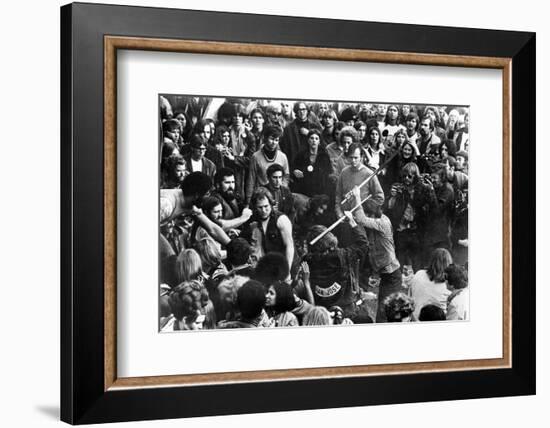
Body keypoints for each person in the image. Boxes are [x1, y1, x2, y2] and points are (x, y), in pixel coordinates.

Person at [349, 186, 402, 323]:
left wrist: (357, 197)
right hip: (386, 275)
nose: (367, 217)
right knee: (384, 311)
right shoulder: (376, 223)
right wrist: (352, 221)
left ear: (372, 214)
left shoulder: (382, 222)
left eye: (368, 215)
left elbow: (362, 219)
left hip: (392, 276)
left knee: (384, 314)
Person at [304, 211, 368, 319]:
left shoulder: (307, 260)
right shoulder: (343, 255)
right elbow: (363, 244)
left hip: (324, 312)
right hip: (346, 310)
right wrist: (352, 222)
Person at [386, 162, 436, 271]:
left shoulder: (422, 189)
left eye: (410, 176)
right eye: (404, 176)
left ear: (415, 176)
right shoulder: (399, 188)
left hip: (416, 230)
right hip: (401, 229)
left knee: (417, 261)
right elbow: (390, 207)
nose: (406, 179)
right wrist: (392, 196)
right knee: (399, 258)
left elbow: (433, 208)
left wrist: (431, 191)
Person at [160, 172, 230, 246]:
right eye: (207, 194)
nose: (208, 198)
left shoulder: (192, 204)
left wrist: (230, 244)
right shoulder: (166, 204)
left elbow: (212, 228)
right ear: (196, 195)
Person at [242, 188, 294, 274]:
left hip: (286, 262)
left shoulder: (281, 219)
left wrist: (287, 270)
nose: (263, 211)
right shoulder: (253, 220)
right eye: (260, 207)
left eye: (266, 206)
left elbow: (289, 246)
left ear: (271, 204)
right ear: (255, 207)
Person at [335, 142, 384, 218]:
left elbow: (380, 198)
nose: (353, 160)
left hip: (362, 218)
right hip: (345, 216)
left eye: (356, 158)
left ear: (361, 157)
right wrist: (339, 212)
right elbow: (338, 195)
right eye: (351, 157)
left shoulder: (369, 174)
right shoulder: (344, 172)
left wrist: (364, 208)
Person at [246, 125, 290, 202]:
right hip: (262, 195)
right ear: (265, 138)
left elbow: (286, 176)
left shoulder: (283, 156)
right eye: (272, 139)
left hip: (279, 195)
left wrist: (282, 188)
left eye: (276, 140)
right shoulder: (256, 157)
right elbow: (251, 179)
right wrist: (248, 199)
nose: (274, 142)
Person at [409, 248, 453, 320]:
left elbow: (410, 298)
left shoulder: (418, 274)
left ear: (432, 261)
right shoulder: (448, 287)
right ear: (448, 263)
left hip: (415, 319)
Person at [291, 129, 334, 197]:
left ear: (319, 141)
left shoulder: (324, 156)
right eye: (312, 138)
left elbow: (328, 172)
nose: (314, 140)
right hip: (304, 189)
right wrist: (295, 171)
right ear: (308, 140)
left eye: (316, 138)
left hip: (320, 190)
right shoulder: (301, 155)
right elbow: (294, 168)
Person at [280, 101, 322, 170]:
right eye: (299, 110)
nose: (302, 112)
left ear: (307, 111)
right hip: (296, 163)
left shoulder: (314, 126)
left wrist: (309, 134)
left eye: (304, 109)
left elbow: (320, 144)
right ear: (296, 111)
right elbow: (285, 148)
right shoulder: (289, 128)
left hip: (312, 163)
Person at [424, 164, 455, 257]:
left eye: (434, 178)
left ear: (442, 178)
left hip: (441, 235)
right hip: (430, 231)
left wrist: (431, 191)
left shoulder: (448, 190)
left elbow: (437, 210)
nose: (432, 180)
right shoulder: (436, 187)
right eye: (431, 177)